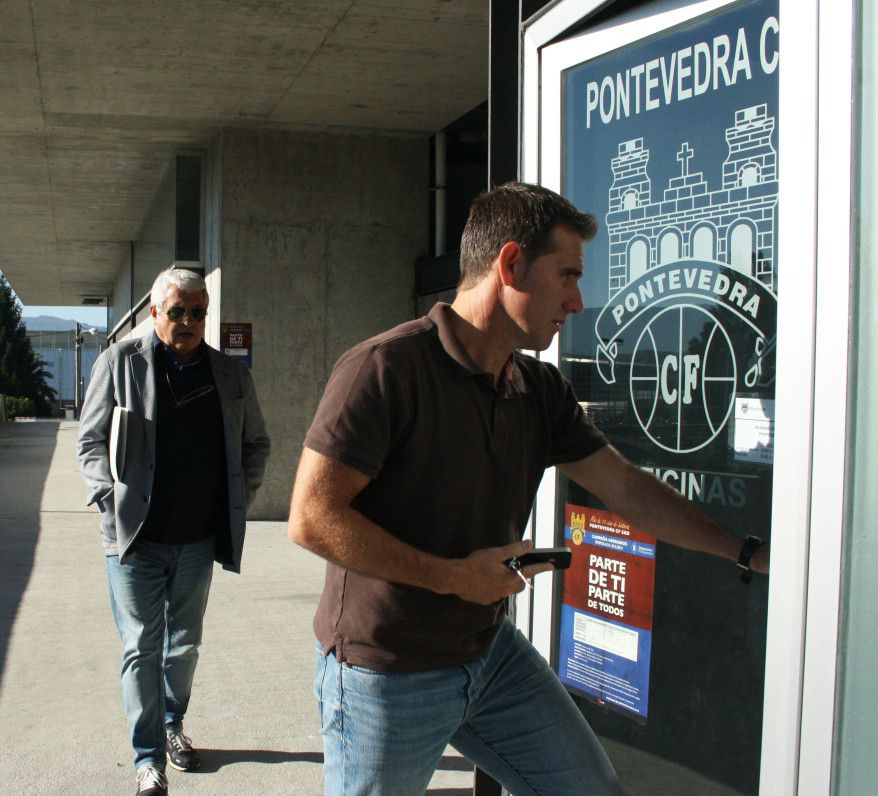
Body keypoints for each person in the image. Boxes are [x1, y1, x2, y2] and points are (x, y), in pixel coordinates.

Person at [288, 182, 769, 795]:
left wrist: (745, 550)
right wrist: (457, 577)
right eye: (567, 275)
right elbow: (310, 516)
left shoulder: (539, 390)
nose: (577, 301)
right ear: (510, 264)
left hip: (489, 657)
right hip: (387, 671)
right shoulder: (384, 370)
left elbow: (627, 488)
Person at [77, 266, 270, 796]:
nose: (188, 321)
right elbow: (89, 441)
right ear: (155, 312)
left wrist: (238, 499)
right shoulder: (119, 363)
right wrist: (105, 496)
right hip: (134, 537)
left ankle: (172, 725)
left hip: (197, 539)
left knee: (182, 647)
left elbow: (257, 445)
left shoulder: (230, 377)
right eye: (178, 311)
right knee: (142, 644)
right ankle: (147, 759)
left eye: (198, 312)